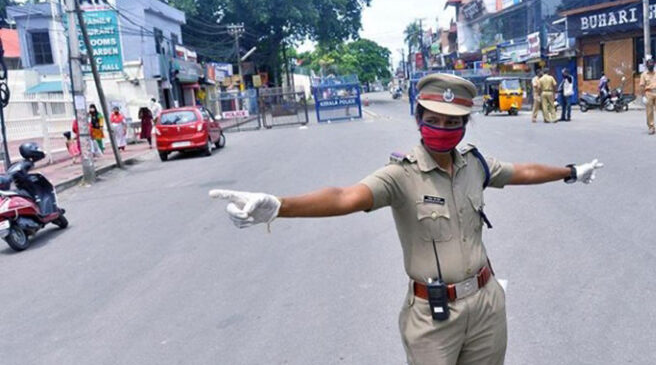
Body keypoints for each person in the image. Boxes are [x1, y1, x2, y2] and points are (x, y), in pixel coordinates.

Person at [209, 73, 604, 364]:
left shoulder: (476, 164)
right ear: (418, 119)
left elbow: (524, 172)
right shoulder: (400, 175)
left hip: (486, 305)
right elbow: (347, 196)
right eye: (434, 119)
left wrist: (570, 171)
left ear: (465, 126)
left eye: (454, 122)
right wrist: (280, 205)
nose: (443, 129)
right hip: (435, 318)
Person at [638, 58, 656, 135]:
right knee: (649, 112)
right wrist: (643, 96)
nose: (651, 65)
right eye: (649, 64)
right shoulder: (644, 75)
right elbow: (642, 86)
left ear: (654, 64)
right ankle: (651, 128)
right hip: (648, 93)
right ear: (647, 65)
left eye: (652, 63)